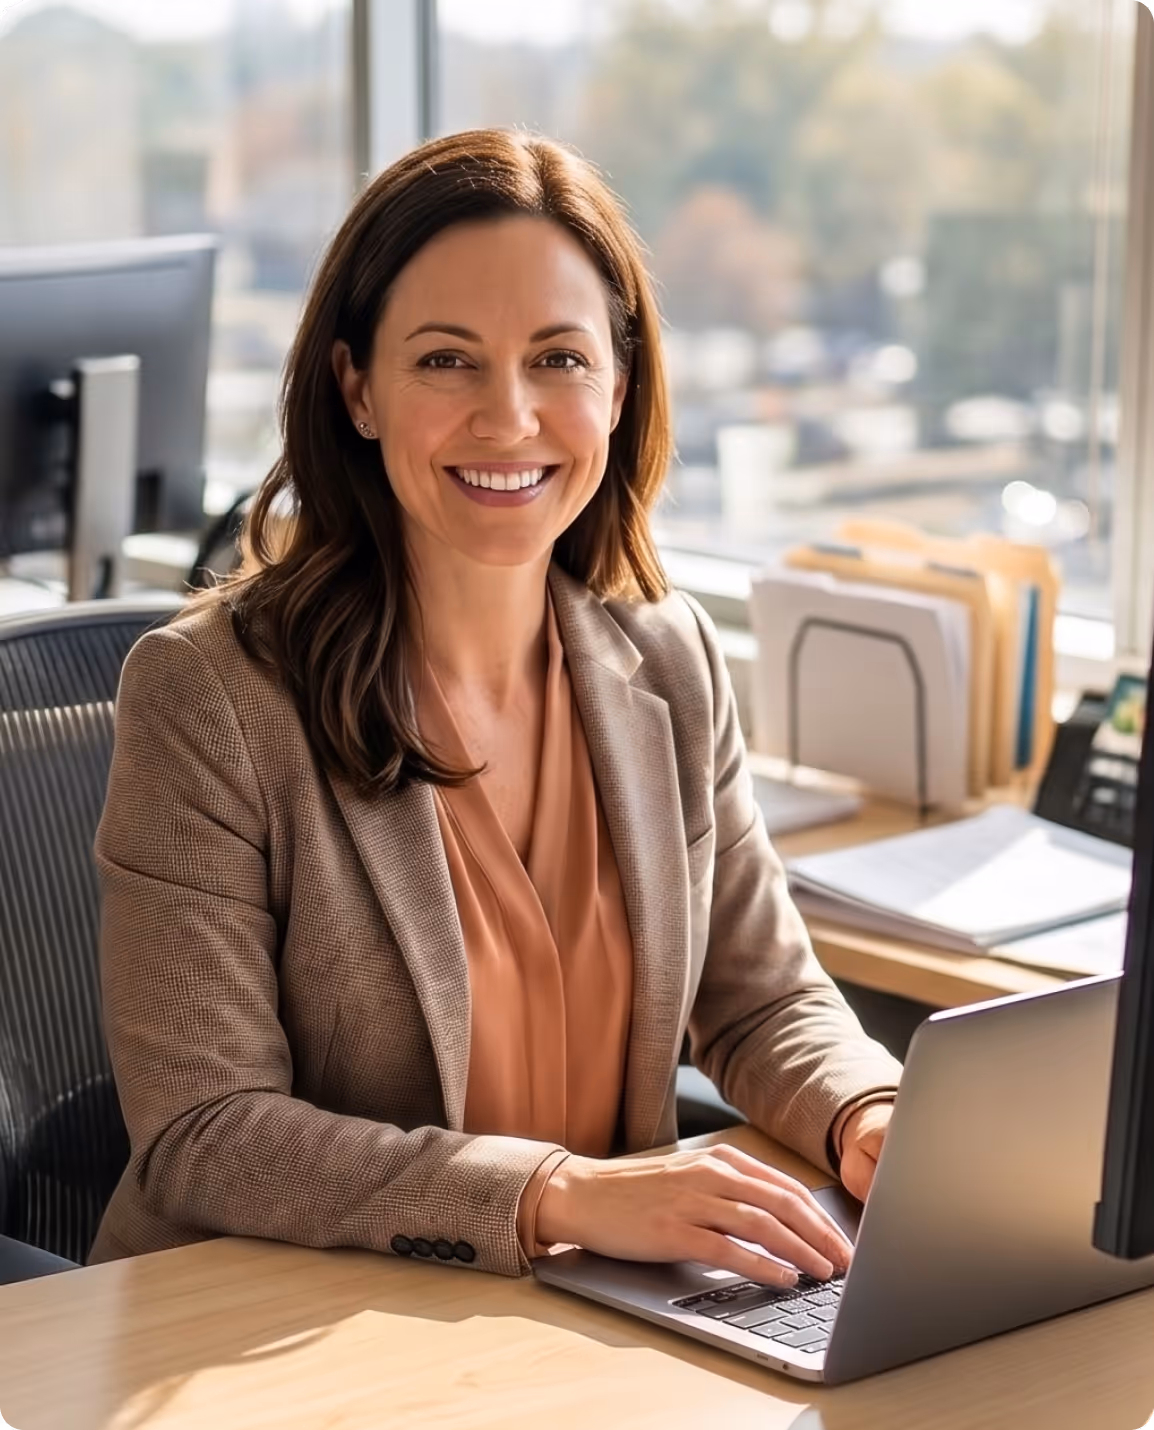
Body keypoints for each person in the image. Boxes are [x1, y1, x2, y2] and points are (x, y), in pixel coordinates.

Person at [89, 129, 902, 1286]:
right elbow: (205, 1132)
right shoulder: (213, 696)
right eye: (445, 361)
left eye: (558, 360)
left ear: (619, 387)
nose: (509, 417)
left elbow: (761, 997)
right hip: (272, 1326)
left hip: (589, 1318)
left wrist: (866, 1112)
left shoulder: (665, 659)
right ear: (356, 388)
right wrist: (555, 1192)